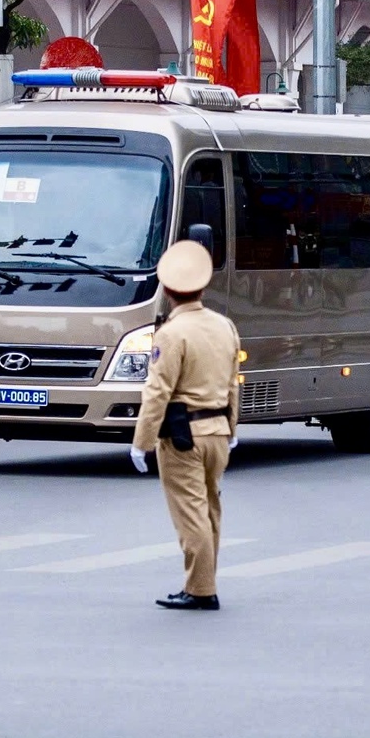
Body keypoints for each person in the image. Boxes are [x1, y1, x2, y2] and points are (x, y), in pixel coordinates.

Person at [130, 239, 239, 611]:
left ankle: (201, 590)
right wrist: (232, 429)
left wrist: (141, 442)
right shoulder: (225, 327)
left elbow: (157, 392)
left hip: (183, 437)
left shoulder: (171, 334)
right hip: (218, 434)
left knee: (191, 514)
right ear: (203, 286)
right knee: (209, 510)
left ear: (169, 290)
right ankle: (203, 582)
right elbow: (232, 385)